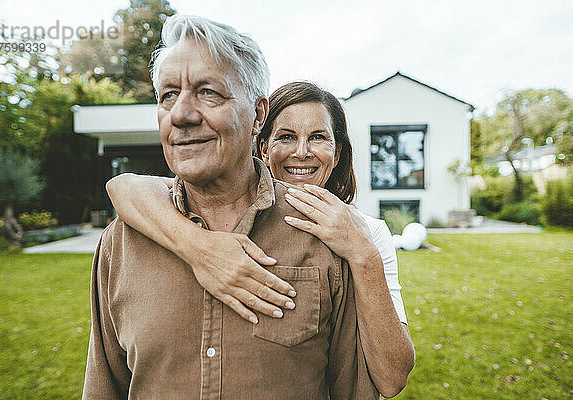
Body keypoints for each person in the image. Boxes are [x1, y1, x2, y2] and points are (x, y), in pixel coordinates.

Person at [83, 14, 401, 399]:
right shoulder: (121, 243)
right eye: (168, 95)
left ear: (257, 115)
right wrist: (199, 247)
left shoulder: (330, 238)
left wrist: (365, 255)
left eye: (208, 92)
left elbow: (366, 387)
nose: (181, 114)